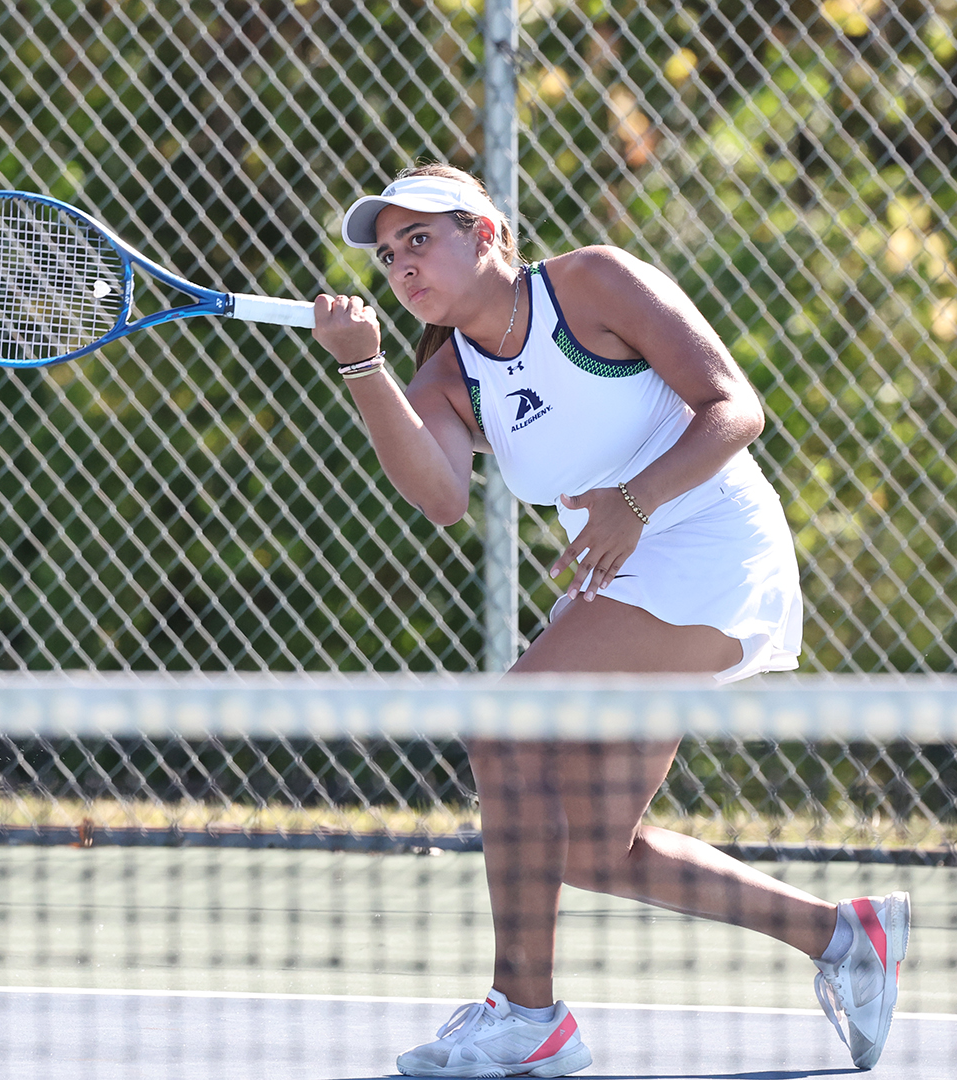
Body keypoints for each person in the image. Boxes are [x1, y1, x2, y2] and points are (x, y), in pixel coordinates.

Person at [310, 164, 909, 1076]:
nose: (401, 265)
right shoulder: (445, 376)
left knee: (504, 726)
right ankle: (841, 936)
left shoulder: (590, 283)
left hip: (710, 543)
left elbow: (736, 407)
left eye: (420, 238)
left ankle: (528, 1015)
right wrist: (364, 367)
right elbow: (437, 495)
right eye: (390, 253)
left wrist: (633, 501)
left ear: (487, 235)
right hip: (621, 576)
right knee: (593, 847)